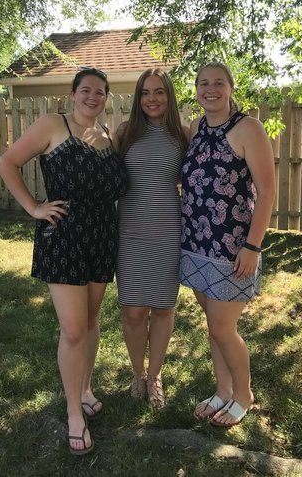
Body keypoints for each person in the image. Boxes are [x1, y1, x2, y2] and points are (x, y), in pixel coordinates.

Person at [0, 67, 127, 455]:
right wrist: (34, 207)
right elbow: (7, 163)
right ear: (73, 94)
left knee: (90, 322)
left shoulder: (107, 137)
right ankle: (73, 413)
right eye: (85, 90)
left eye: (100, 92)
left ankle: (85, 389)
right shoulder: (54, 125)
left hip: (102, 237)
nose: (92, 97)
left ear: (106, 98)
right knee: (72, 330)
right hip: (65, 238)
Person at [179, 61, 275, 427]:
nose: (210, 89)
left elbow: (266, 192)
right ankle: (222, 390)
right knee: (212, 324)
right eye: (203, 83)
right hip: (195, 243)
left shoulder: (248, 128)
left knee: (223, 328)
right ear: (197, 90)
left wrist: (253, 246)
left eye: (218, 83)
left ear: (231, 88)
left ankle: (244, 395)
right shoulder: (196, 128)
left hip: (232, 248)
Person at [116, 68, 189, 408]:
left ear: (169, 95)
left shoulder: (182, 135)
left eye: (159, 92)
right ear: (138, 98)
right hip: (130, 233)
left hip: (168, 232)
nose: (152, 99)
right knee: (133, 310)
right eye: (145, 93)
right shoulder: (125, 133)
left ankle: (156, 375)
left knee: (162, 307)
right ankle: (138, 373)